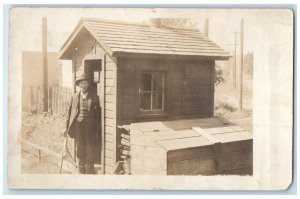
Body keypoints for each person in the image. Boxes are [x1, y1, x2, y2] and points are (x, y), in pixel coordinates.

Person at [64, 74, 101, 174]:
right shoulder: (74, 97)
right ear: (79, 85)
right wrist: (66, 127)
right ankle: (81, 169)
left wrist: (97, 128)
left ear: (88, 84)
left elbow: (98, 115)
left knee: (90, 148)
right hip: (78, 126)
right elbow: (69, 113)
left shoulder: (94, 97)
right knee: (80, 147)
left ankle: (89, 170)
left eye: (85, 83)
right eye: (81, 83)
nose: (83, 85)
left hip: (90, 128)